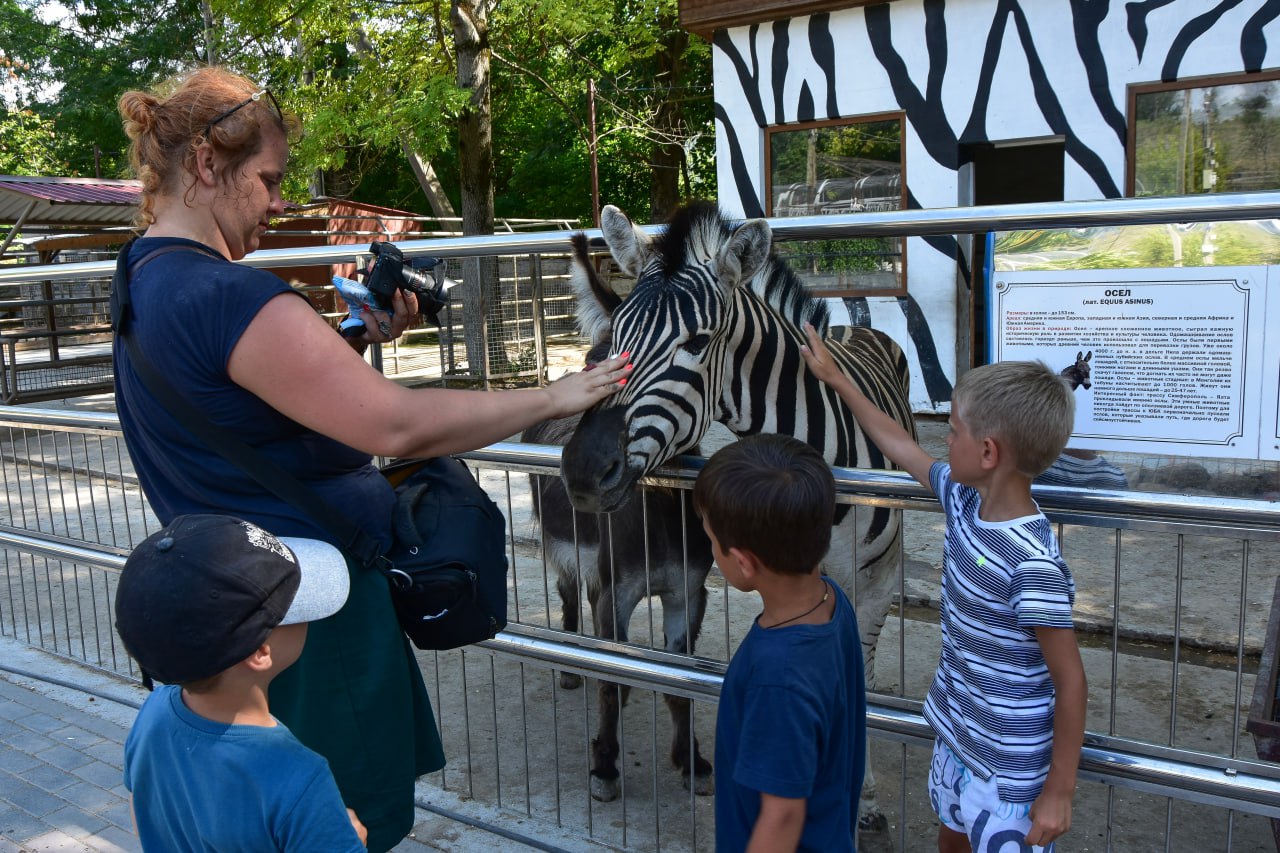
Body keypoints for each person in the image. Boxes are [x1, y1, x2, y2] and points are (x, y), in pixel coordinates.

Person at [113, 66, 631, 852]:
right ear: (207, 166)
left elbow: (235, 403)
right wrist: (553, 397)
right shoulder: (228, 297)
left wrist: (356, 339)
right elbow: (396, 426)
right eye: (269, 179)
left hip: (227, 604)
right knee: (340, 821)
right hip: (308, 620)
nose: (280, 202)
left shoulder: (142, 275)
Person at [801, 324, 1087, 853]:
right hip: (957, 740)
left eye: (952, 431)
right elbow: (898, 443)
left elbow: (1071, 682)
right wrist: (837, 380)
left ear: (987, 452)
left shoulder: (1033, 564)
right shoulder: (962, 498)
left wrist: (1059, 790)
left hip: (1009, 777)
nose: (943, 440)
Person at [117, 513, 365, 851]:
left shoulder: (153, 713)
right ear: (259, 652)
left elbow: (141, 817)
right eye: (289, 603)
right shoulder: (299, 778)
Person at [692, 433, 866, 852]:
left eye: (713, 542)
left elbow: (783, 815)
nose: (712, 550)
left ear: (745, 563)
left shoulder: (780, 676)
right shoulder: (830, 600)